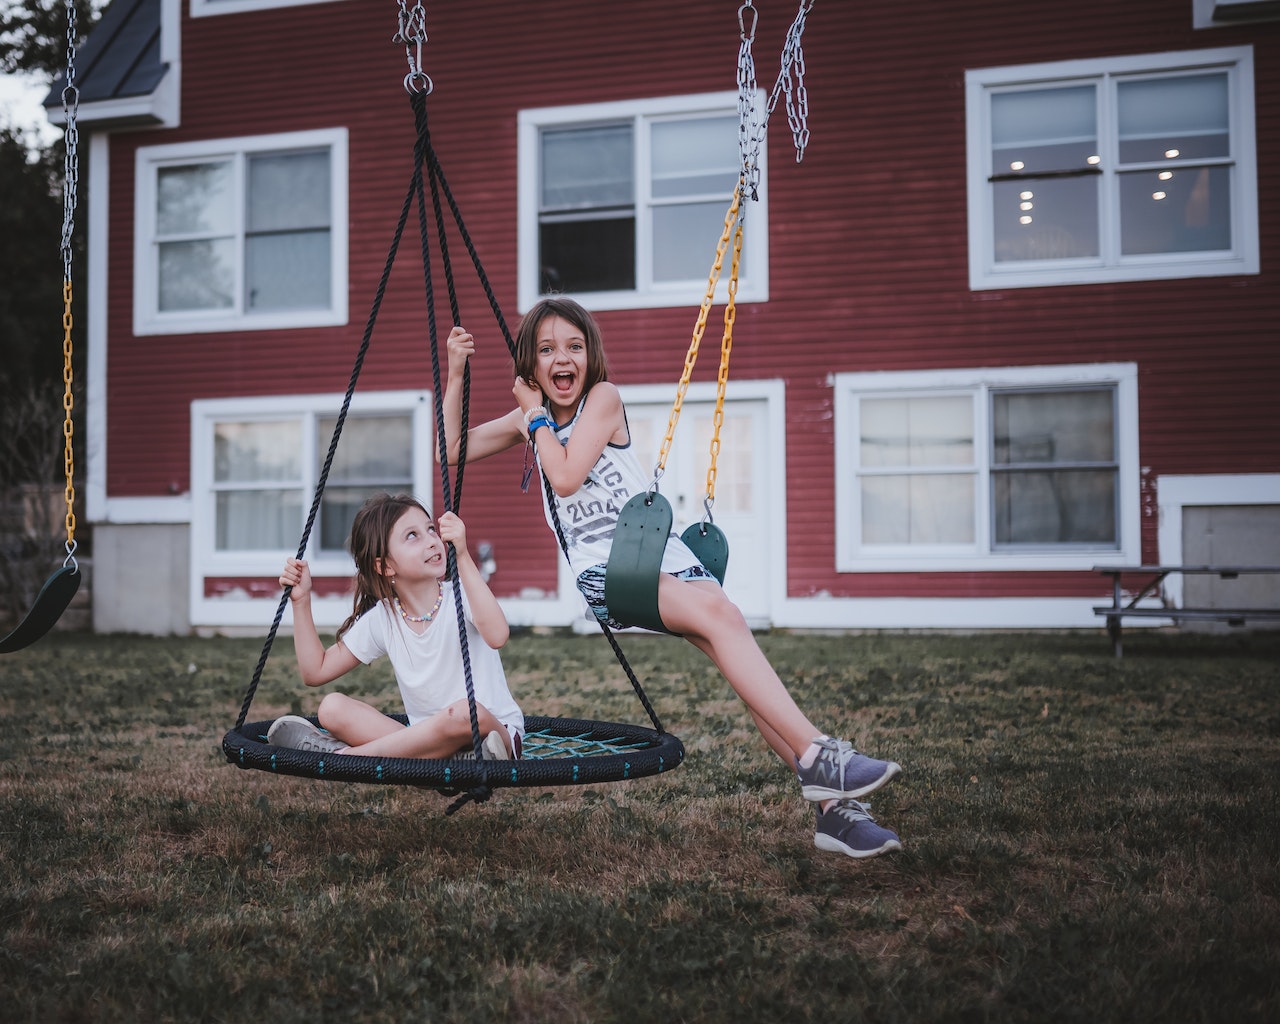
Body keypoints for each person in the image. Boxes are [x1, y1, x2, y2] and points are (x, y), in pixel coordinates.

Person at [440, 297, 902, 859]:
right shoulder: (530, 420)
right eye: (546, 349)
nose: (562, 359)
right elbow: (460, 451)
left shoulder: (602, 400)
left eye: (573, 347)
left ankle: (835, 810)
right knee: (721, 621)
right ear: (530, 367)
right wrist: (459, 373)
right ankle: (820, 756)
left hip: (661, 547)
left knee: (731, 636)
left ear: (590, 356)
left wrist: (534, 418)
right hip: (610, 571)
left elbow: (562, 467)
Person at [267, 492, 523, 763]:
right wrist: (301, 601)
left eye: (431, 530)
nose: (432, 541)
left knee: (464, 712)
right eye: (412, 536)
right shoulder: (385, 618)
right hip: (431, 741)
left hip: (494, 735)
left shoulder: (462, 596)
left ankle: (345, 758)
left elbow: (497, 636)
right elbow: (315, 671)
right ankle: (443, 761)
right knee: (332, 708)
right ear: (385, 565)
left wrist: (462, 553)